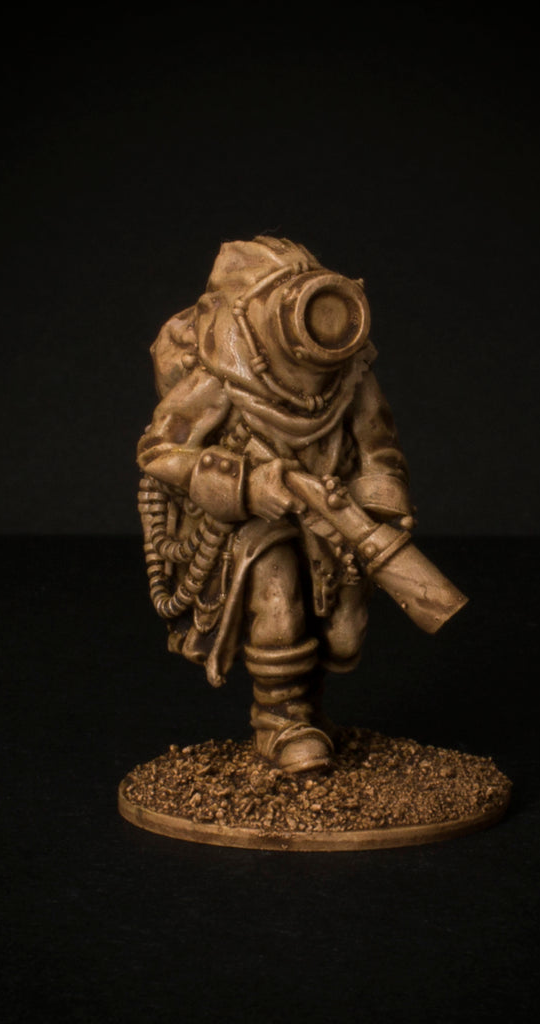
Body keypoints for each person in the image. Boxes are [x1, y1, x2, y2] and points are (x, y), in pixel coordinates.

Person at [137, 236, 413, 772]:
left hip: (333, 519)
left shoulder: (350, 372)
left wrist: (376, 508)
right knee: (278, 594)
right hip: (253, 521)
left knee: (343, 637)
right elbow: (158, 450)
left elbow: (379, 447)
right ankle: (280, 722)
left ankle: (309, 709)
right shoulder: (223, 373)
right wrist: (245, 486)